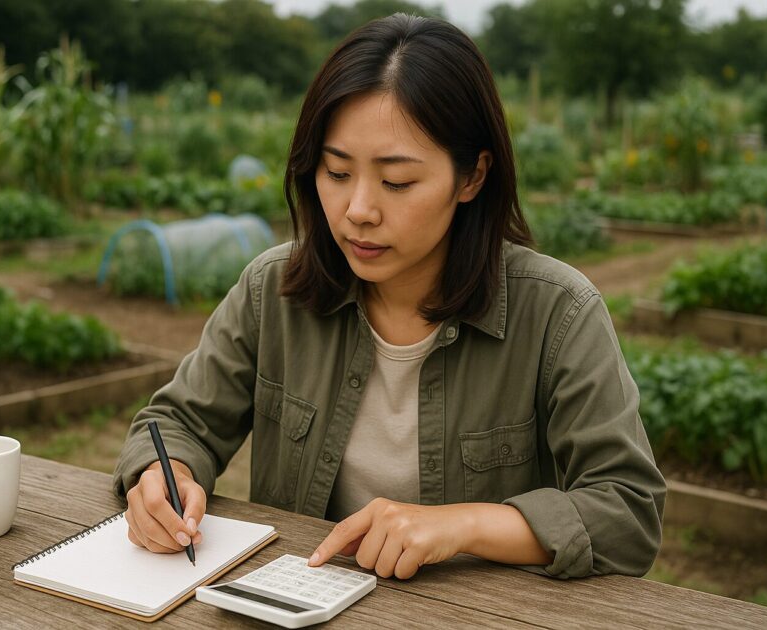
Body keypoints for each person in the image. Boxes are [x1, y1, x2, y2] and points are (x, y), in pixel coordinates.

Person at [113, 13, 665, 580]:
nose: (358, 210)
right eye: (336, 172)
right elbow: (178, 421)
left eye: (396, 181)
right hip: (296, 602)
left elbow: (628, 510)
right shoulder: (274, 290)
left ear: (472, 177)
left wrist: (463, 525)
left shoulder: (556, 312)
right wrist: (165, 475)